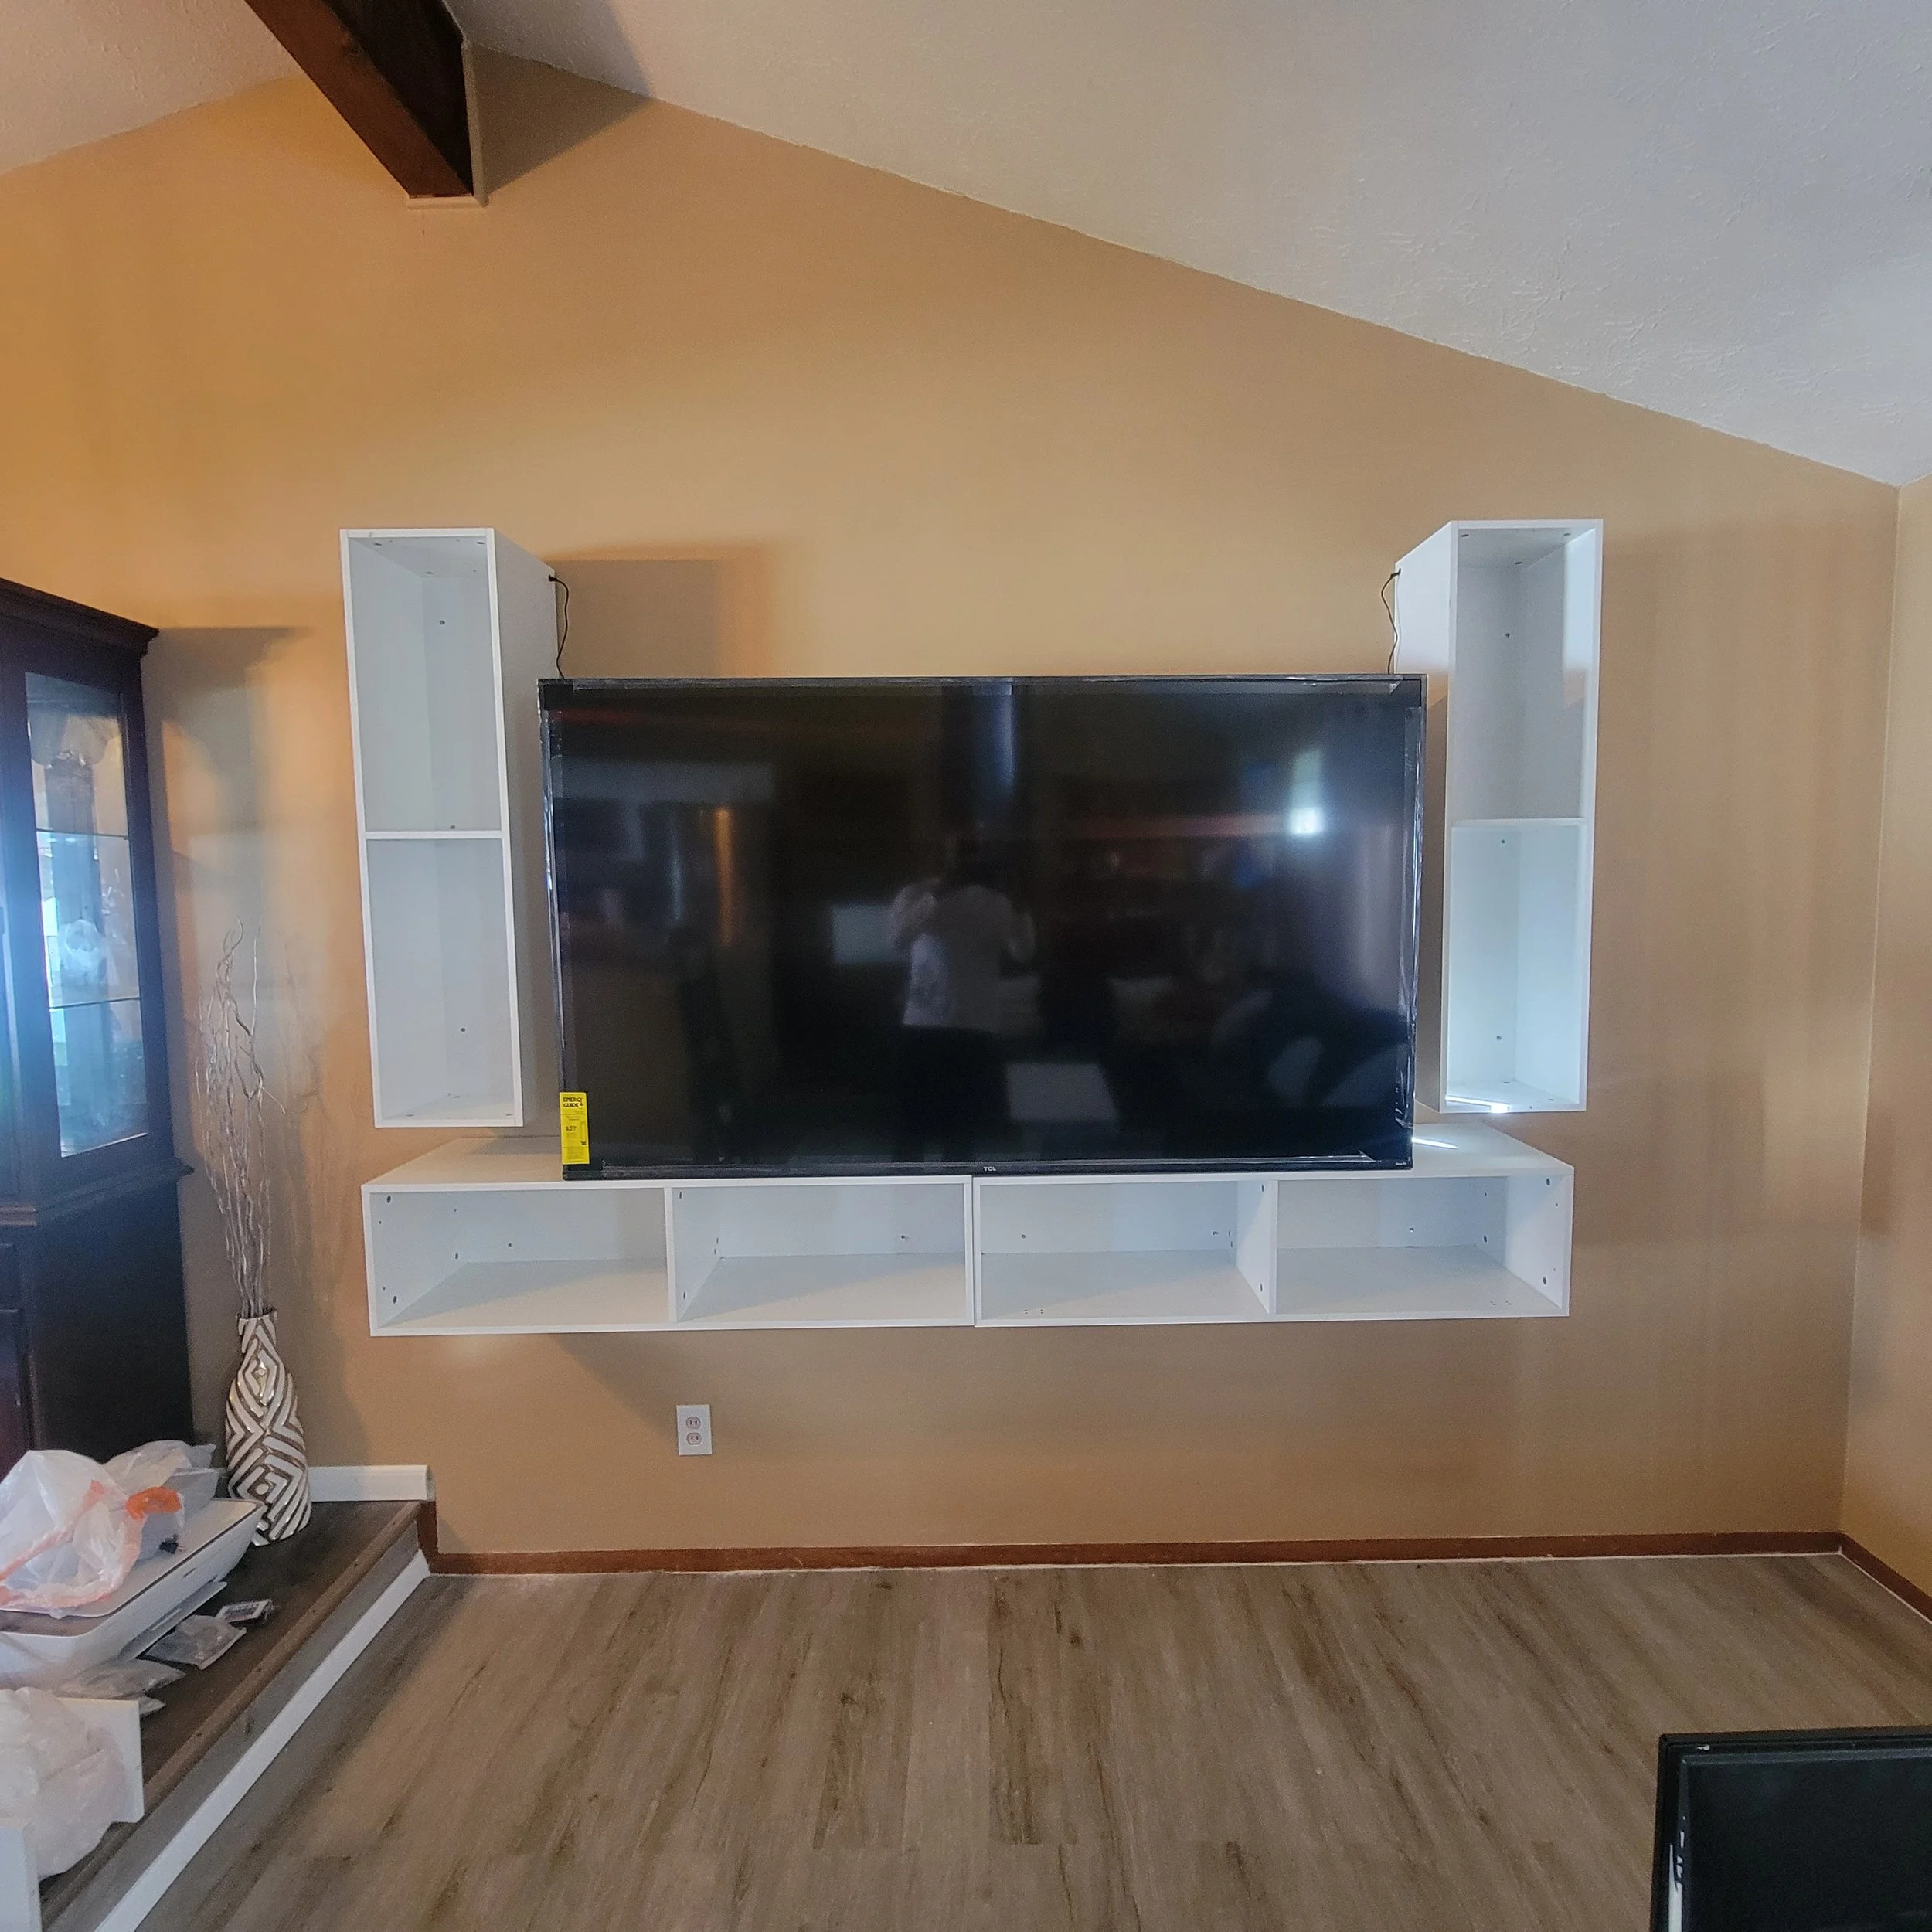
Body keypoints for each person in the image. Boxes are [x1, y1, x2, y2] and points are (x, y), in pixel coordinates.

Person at [889, 845, 1034, 1162]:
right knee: (910, 1130)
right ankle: (904, 1198)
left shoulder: (998, 901)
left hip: (974, 1026)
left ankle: (958, 1201)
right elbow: (899, 939)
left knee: (961, 1133)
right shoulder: (915, 895)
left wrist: (1020, 902)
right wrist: (939, 893)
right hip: (924, 1025)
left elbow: (1024, 953)